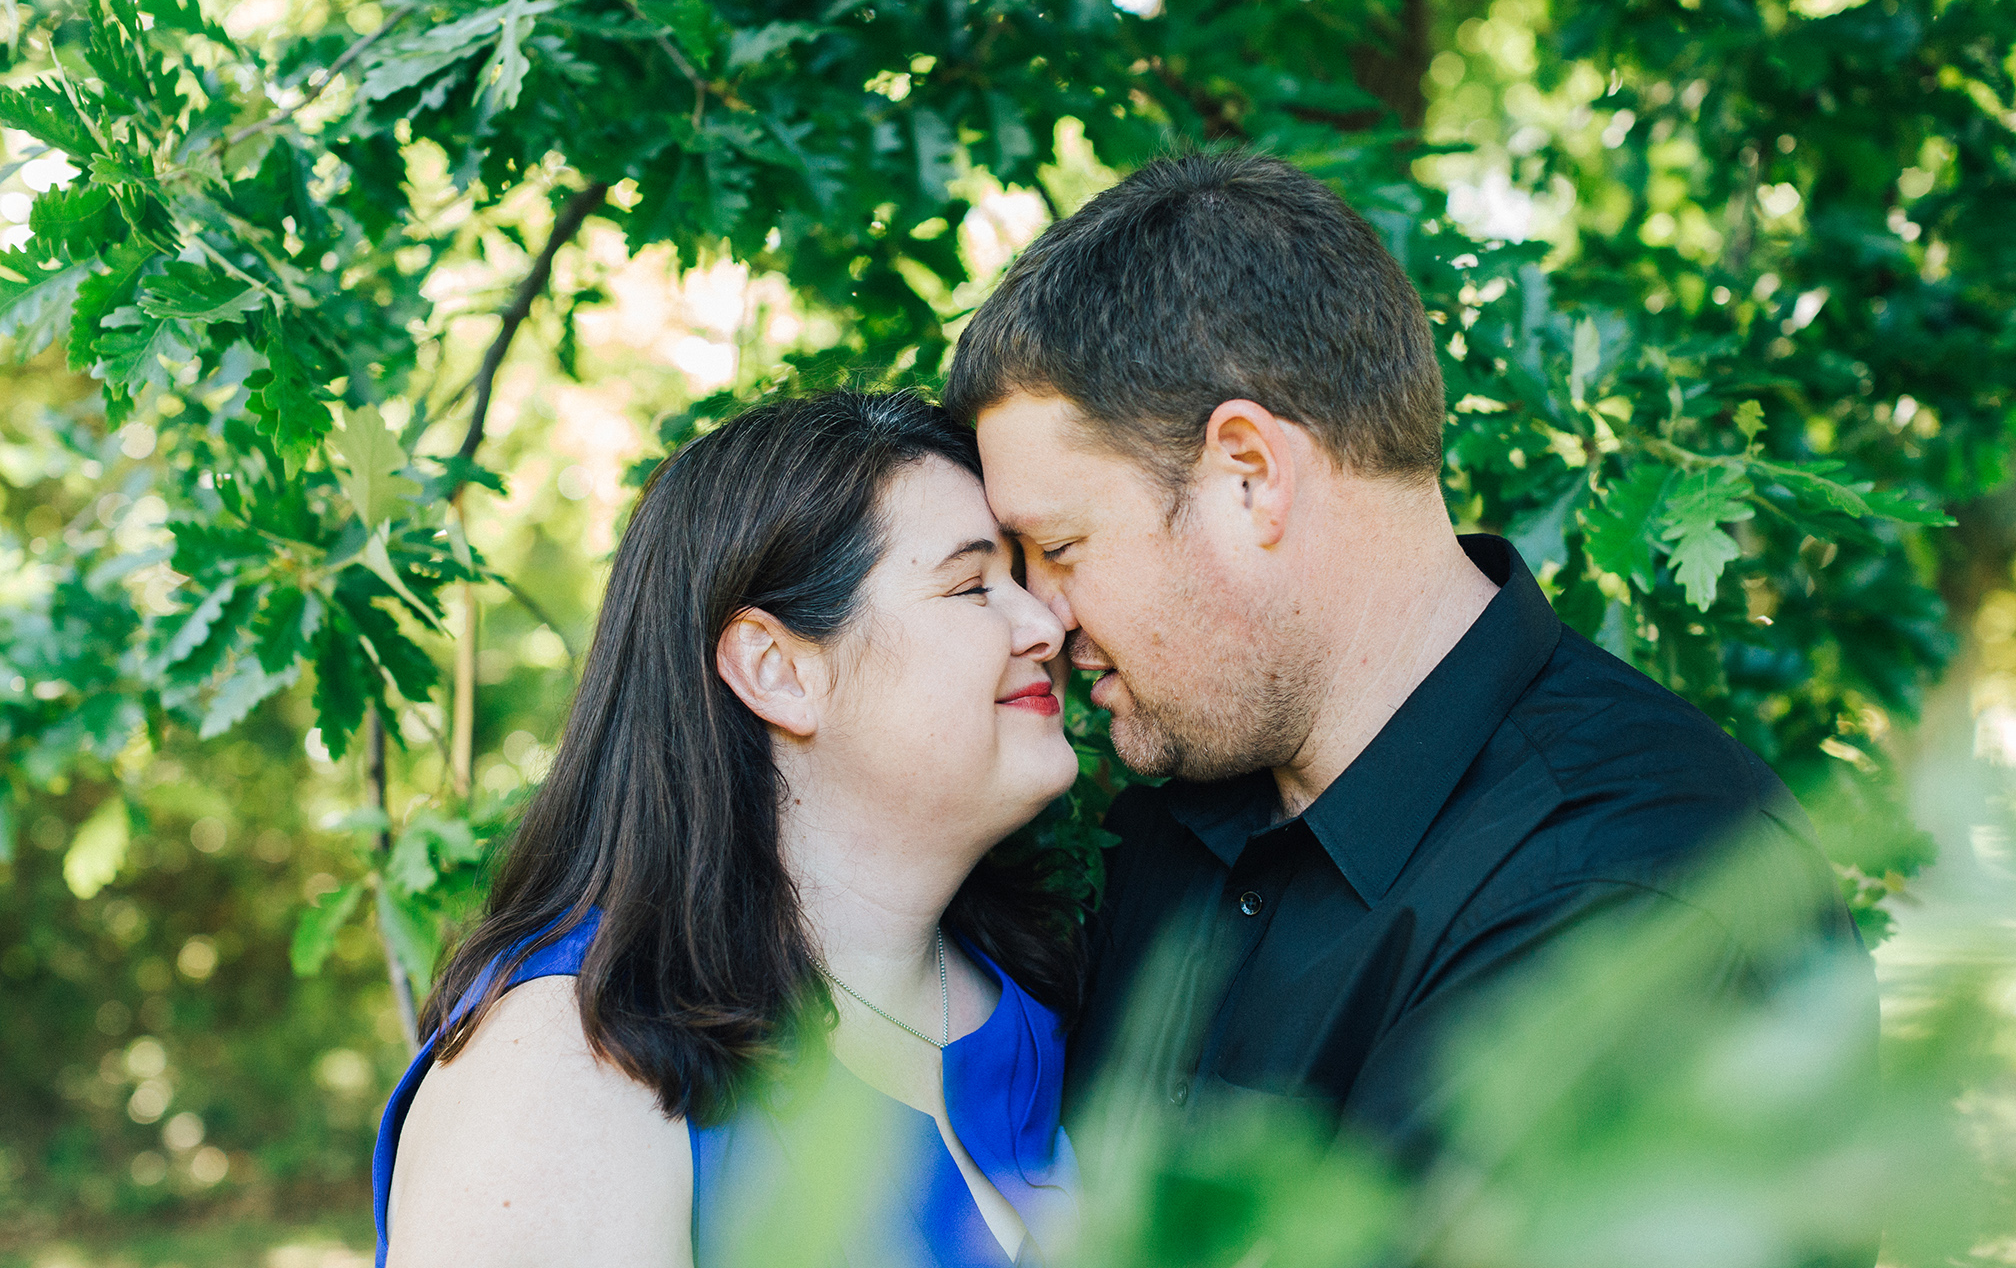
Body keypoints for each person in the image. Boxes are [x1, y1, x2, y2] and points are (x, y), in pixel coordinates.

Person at [941, 153, 1874, 1168]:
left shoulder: (1640, 888)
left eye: (1062, 548)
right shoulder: (1167, 818)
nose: (1041, 616)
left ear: (1250, 476)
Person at [372, 392, 1084, 1268]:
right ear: (777, 670)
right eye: (973, 585)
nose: (1047, 625)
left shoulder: (1039, 999)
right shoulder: (573, 1057)